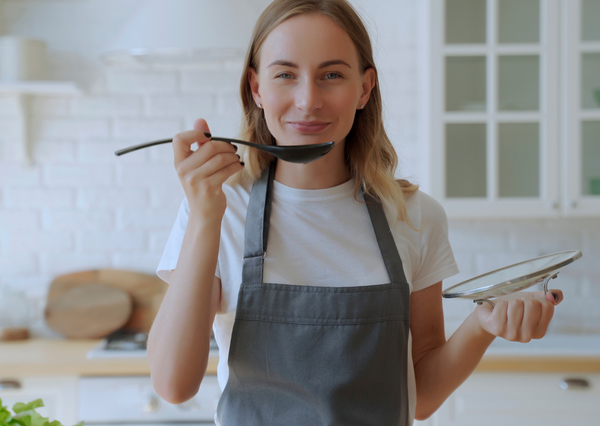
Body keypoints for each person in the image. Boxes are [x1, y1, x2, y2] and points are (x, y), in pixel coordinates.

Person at [148, 1, 563, 425]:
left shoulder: (416, 216)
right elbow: (172, 384)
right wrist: (203, 218)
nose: (308, 101)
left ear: (364, 88)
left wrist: (482, 325)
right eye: (285, 75)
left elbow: (419, 398)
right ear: (256, 88)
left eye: (331, 75)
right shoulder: (219, 209)